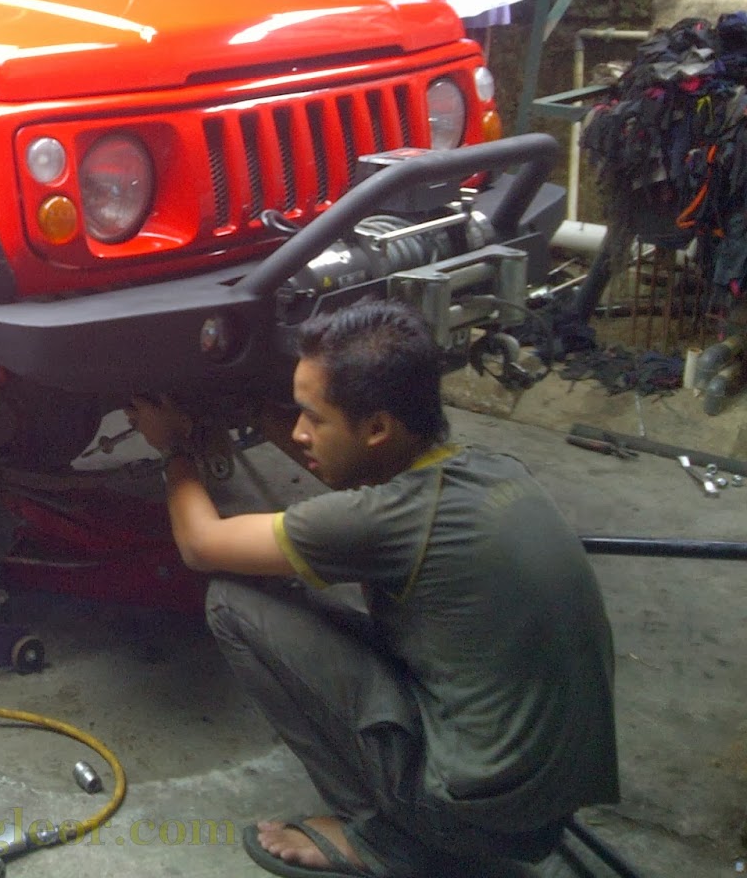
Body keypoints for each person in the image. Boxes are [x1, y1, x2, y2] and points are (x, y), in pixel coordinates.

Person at [128, 299, 618, 878]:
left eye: (313, 417)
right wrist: (262, 414)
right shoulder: (489, 469)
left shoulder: (386, 521)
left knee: (236, 604)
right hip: (541, 810)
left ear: (378, 427)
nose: (299, 431)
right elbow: (355, 466)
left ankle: (383, 838)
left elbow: (201, 545)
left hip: (469, 820)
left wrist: (176, 448)